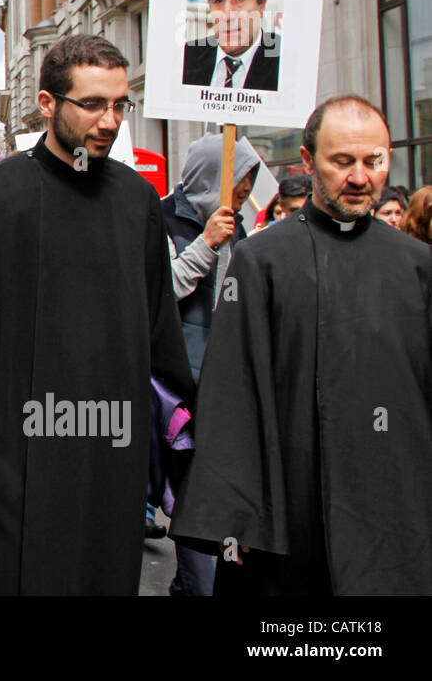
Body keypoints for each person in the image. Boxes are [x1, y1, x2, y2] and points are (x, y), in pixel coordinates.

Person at [0, 33, 193, 595]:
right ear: (48, 104)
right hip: (11, 472)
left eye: (120, 104)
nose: (110, 120)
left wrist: (179, 460)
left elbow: (162, 342)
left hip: (110, 469)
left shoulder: (137, 202)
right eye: (93, 104)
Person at [171, 96, 432, 594]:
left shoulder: (419, 266)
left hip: (395, 504)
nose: (360, 177)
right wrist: (237, 513)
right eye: (342, 162)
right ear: (308, 162)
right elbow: (232, 390)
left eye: (373, 161)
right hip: (292, 505)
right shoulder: (260, 260)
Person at [159, 132, 259, 595]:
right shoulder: (159, 218)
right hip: (173, 394)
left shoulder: (240, 224)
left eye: (250, 180)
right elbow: (158, 294)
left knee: (208, 503)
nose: (244, 191)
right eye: (240, 179)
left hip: (225, 391)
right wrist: (205, 244)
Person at [182, 0, 281, 91]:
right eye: (218, 0)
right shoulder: (185, 58)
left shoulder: (284, 62)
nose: (227, 15)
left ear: (261, 5)